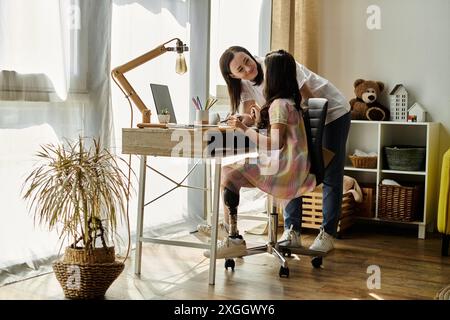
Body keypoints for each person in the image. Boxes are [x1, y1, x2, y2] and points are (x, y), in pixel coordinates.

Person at [199, 45, 351, 253]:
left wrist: (293, 137)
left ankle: (327, 232)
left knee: (329, 172)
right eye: (240, 70)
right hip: (290, 124)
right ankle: (291, 230)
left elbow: (310, 103)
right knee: (294, 165)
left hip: (331, 111)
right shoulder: (257, 88)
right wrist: (252, 120)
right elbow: (256, 117)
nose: (247, 69)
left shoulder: (275, 66)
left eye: (247, 61)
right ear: (232, 76)